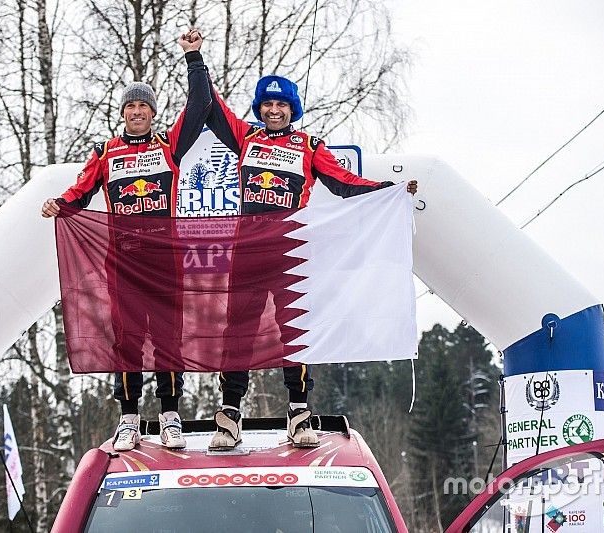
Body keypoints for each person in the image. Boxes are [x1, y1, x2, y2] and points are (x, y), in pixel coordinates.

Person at [205, 74, 418, 449]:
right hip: (247, 253)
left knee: (296, 333)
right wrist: (196, 60)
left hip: (290, 253)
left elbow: (344, 183)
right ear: (259, 108)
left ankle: (299, 412)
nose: (274, 110)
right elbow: (213, 109)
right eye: (268, 104)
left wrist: (390, 191)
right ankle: (229, 416)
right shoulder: (246, 137)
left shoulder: (309, 145)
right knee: (237, 334)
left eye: (282, 105)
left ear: (292, 109)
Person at [41, 30, 210, 452]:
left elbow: (202, 105)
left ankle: (170, 415)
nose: (137, 112)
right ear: (123, 112)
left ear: (153, 113)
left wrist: (193, 57)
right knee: (127, 338)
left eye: (143, 106)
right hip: (124, 260)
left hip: (163, 258)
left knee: (169, 338)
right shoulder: (106, 151)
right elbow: (80, 191)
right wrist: (58, 204)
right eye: (131, 106)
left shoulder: (169, 145)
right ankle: (129, 419)